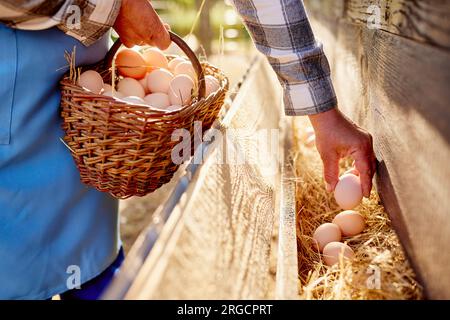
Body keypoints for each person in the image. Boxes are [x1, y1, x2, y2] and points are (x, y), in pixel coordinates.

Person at [0, 0, 375, 300]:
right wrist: (109, 6)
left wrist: (321, 111)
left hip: (84, 80)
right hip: (18, 56)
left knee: (87, 253)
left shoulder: (104, 117)